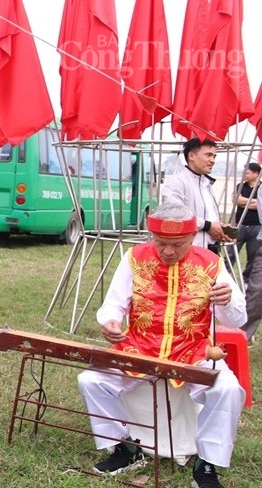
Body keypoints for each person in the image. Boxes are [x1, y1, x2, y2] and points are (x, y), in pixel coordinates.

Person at [76, 202, 246, 487]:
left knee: (227, 389)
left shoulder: (211, 264)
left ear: (192, 237)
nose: (168, 251)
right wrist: (110, 322)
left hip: (192, 351)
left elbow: (238, 319)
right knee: (91, 380)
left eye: (177, 244)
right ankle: (125, 447)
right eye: (160, 243)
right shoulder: (134, 258)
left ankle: (207, 464)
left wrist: (227, 301)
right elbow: (112, 305)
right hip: (139, 348)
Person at [160, 138, 234, 253]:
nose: (212, 160)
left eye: (214, 156)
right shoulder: (177, 182)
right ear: (191, 156)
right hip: (189, 252)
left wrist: (220, 228)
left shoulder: (206, 184)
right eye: (208, 155)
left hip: (211, 250)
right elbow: (175, 215)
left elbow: (207, 217)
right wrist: (208, 226)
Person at [230, 162, 261, 282]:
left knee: (253, 254)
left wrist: (244, 202)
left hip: (256, 226)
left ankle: (246, 280)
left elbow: (260, 205)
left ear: (256, 173)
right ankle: (225, 276)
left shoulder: (261, 188)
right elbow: (235, 200)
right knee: (231, 251)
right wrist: (255, 201)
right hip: (239, 225)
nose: (243, 175)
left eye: (246, 173)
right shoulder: (240, 186)